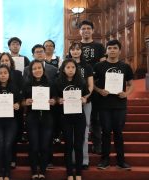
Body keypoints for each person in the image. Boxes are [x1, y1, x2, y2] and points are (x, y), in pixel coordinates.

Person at [94, 40, 134, 170]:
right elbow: (91, 84)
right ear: (106, 50)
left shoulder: (125, 66)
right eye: (109, 48)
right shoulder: (99, 66)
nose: (112, 50)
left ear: (119, 50)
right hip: (104, 104)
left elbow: (131, 84)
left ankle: (120, 161)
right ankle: (104, 160)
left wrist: (126, 93)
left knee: (118, 132)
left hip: (120, 104)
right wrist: (100, 90)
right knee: (105, 132)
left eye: (115, 48)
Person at [55, 59, 89, 180]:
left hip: (79, 116)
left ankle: (78, 173)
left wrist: (84, 99)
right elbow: (55, 98)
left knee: (78, 144)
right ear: (63, 69)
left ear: (76, 69)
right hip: (65, 117)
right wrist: (59, 100)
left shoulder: (81, 82)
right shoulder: (58, 82)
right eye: (68, 67)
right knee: (68, 144)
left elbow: (86, 96)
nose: (70, 70)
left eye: (73, 67)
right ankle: (70, 173)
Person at [22, 60, 56, 179]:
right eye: (34, 68)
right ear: (31, 71)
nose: (37, 70)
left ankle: (42, 171)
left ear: (43, 69)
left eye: (39, 68)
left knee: (45, 146)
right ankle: (33, 171)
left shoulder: (50, 83)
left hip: (47, 117)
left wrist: (53, 101)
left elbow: (56, 99)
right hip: (32, 118)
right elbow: (21, 101)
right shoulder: (26, 84)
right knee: (34, 146)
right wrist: (25, 102)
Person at [79, 20, 106, 154]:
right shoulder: (76, 46)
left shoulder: (99, 46)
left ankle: (97, 143)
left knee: (96, 117)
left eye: (88, 28)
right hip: (78, 88)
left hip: (95, 85)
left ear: (92, 30)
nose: (86, 31)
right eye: (83, 29)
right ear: (80, 31)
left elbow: (102, 65)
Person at [68, 41, 94, 170]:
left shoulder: (87, 66)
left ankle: (84, 159)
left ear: (81, 51)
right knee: (71, 132)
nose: (76, 51)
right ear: (70, 51)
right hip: (69, 104)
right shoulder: (65, 64)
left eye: (78, 49)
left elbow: (90, 85)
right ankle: (72, 159)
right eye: (73, 49)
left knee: (84, 131)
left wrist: (85, 97)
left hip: (85, 102)